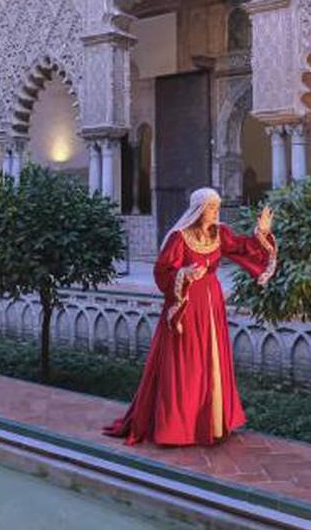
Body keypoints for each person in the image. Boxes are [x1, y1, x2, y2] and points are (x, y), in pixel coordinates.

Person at [104, 188, 276, 446]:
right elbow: (162, 273)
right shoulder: (179, 238)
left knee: (212, 360)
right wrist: (184, 274)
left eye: (217, 206)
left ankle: (215, 423)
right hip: (185, 307)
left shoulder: (220, 233)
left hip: (212, 304)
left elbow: (245, 248)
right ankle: (180, 427)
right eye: (211, 207)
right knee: (187, 363)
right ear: (198, 209)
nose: (215, 211)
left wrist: (261, 232)